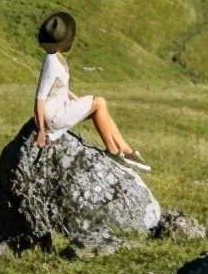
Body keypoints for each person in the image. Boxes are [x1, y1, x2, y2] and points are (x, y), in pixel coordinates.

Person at [32, 11, 150, 172]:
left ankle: (125, 149)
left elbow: (60, 89)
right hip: (53, 118)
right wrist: (41, 130)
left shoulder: (53, 57)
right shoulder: (52, 63)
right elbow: (40, 97)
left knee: (100, 106)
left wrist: (76, 99)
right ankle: (113, 151)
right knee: (99, 103)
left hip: (57, 111)